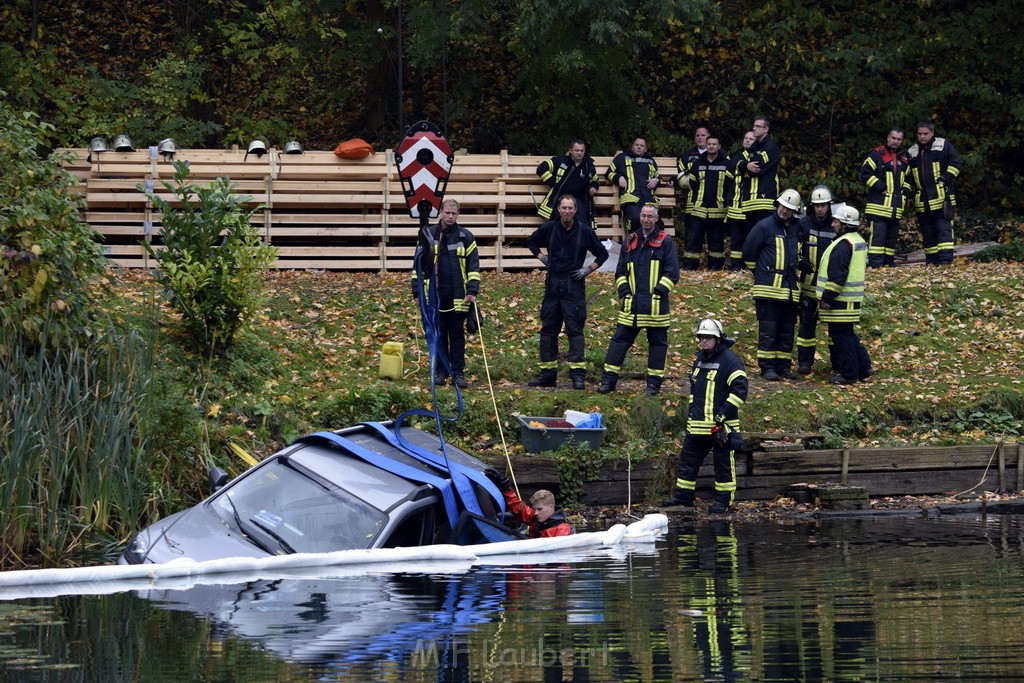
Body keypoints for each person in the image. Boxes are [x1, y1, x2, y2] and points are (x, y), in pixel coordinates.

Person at [662, 318, 748, 513]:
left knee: (723, 465)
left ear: (718, 339)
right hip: (698, 425)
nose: (703, 341)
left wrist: (723, 413)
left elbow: (740, 390)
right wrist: (692, 412)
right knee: (687, 461)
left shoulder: (731, 361)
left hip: (721, 427)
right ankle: (684, 497)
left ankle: (723, 502)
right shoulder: (699, 360)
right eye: (701, 338)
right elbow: (695, 390)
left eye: (708, 337)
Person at [525, 194, 609, 389]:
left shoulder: (584, 231)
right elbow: (531, 241)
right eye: (564, 208)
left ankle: (578, 376)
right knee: (548, 330)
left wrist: (588, 269)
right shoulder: (549, 228)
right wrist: (542, 257)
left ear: (575, 210)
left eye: (570, 208)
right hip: (553, 284)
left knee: (575, 330)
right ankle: (547, 375)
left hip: (574, 284)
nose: (567, 212)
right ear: (558, 209)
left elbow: (603, 253)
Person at [598, 204, 680, 396]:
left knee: (658, 347)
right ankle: (608, 381)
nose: (646, 219)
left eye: (650, 216)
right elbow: (620, 271)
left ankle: (653, 385)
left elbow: (673, 273)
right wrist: (624, 290)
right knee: (618, 343)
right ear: (639, 218)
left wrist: (658, 292)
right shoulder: (630, 240)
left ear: (656, 218)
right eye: (643, 215)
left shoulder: (665, 241)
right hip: (631, 306)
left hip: (655, 307)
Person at [410, 198, 479, 388]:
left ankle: (458, 373)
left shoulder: (465, 237)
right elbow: (418, 266)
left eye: (453, 213)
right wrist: (417, 293)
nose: (450, 216)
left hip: (459, 295)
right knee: (439, 334)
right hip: (434, 296)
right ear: (440, 211)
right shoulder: (428, 235)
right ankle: (441, 372)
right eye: (447, 212)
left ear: (458, 214)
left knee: (457, 335)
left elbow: (474, 267)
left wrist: (472, 290)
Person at [742, 188, 802, 380]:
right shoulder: (764, 226)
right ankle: (767, 368)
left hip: (790, 289)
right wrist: (760, 273)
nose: (785, 211)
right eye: (783, 206)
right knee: (769, 330)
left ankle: (783, 366)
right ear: (778, 204)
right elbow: (748, 253)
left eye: (789, 208)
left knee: (786, 330)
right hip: (768, 289)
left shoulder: (794, 228)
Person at [816, 203, 873, 385]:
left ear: (845, 224)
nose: (832, 224)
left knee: (842, 336)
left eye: (835, 221)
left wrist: (827, 297)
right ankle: (864, 367)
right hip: (851, 298)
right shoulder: (857, 240)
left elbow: (837, 276)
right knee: (847, 333)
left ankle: (849, 374)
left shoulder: (843, 244)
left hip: (840, 299)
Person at [906, 121, 963, 265]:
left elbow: (956, 163)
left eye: (925, 134)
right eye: (920, 134)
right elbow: (908, 177)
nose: (922, 137)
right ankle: (931, 262)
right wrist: (909, 195)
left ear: (932, 133)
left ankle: (945, 262)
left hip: (942, 197)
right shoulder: (912, 151)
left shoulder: (943, 145)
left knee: (943, 231)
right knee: (928, 233)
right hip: (922, 200)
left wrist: (944, 178)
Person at [795, 185, 837, 374]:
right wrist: (800, 262)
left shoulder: (836, 224)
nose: (820, 209)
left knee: (835, 329)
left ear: (830, 205)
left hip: (829, 288)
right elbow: (793, 247)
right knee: (806, 328)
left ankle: (838, 361)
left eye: (824, 205)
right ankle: (805, 362)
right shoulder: (803, 224)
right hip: (807, 286)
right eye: (817, 205)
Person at [860, 127, 910, 267]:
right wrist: (880, 187)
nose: (895, 141)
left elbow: (908, 178)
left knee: (891, 240)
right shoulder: (877, 154)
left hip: (895, 207)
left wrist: (905, 193)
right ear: (888, 137)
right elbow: (865, 173)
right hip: (878, 207)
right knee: (878, 239)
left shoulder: (904, 156)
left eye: (899, 139)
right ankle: (876, 265)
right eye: (893, 138)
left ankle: (889, 264)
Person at [679, 136, 731, 270]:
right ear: (706, 146)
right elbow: (692, 184)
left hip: (718, 210)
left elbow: (730, 186)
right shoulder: (698, 163)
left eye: (714, 144)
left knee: (716, 243)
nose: (712, 146)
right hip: (699, 209)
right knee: (693, 241)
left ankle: (716, 269)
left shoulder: (726, 164)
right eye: (709, 144)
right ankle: (690, 268)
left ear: (719, 146)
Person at [485, 469, 573, 537]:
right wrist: (506, 487)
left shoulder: (563, 530)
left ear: (551, 507)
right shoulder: (535, 518)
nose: (536, 512)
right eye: (535, 509)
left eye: (539, 509)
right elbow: (518, 507)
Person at [535, 139, 600, 228]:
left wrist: (594, 186)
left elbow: (595, 179)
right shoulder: (560, 161)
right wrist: (553, 183)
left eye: (582, 150)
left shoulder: (588, 166)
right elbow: (541, 168)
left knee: (582, 226)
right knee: (556, 225)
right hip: (560, 198)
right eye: (577, 150)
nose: (579, 153)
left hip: (579, 201)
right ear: (571, 150)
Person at [606, 137, 660, 231]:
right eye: (637, 145)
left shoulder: (650, 161)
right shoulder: (622, 157)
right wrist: (619, 177)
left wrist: (656, 180)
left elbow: (657, 177)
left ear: (645, 149)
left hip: (648, 199)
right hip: (631, 198)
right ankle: (635, 242)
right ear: (632, 147)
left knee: (659, 225)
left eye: (642, 145)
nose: (639, 147)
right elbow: (609, 173)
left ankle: (649, 245)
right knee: (636, 219)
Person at [739, 116, 782, 233]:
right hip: (750, 203)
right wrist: (746, 166)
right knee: (751, 238)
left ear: (766, 129)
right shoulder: (754, 146)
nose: (754, 128)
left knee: (763, 236)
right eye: (754, 126)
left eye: (758, 126)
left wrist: (744, 167)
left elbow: (757, 168)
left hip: (765, 202)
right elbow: (738, 162)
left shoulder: (770, 147)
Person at [726, 131, 755, 270]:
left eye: (751, 139)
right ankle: (736, 267)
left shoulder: (758, 157)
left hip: (751, 207)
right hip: (736, 207)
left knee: (751, 239)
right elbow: (728, 182)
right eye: (746, 138)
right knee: (736, 240)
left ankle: (750, 267)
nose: (748, 141)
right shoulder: (736, 158)